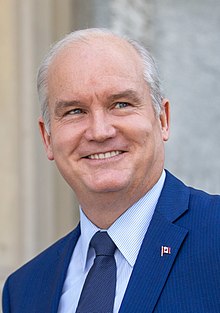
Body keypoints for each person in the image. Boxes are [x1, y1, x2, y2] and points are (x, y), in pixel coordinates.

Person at [2, 28, 220, 313]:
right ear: (48, 138)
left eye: (121, 104)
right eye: (75, 111)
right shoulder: (24, 291)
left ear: (162, 119)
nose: (100, 131)